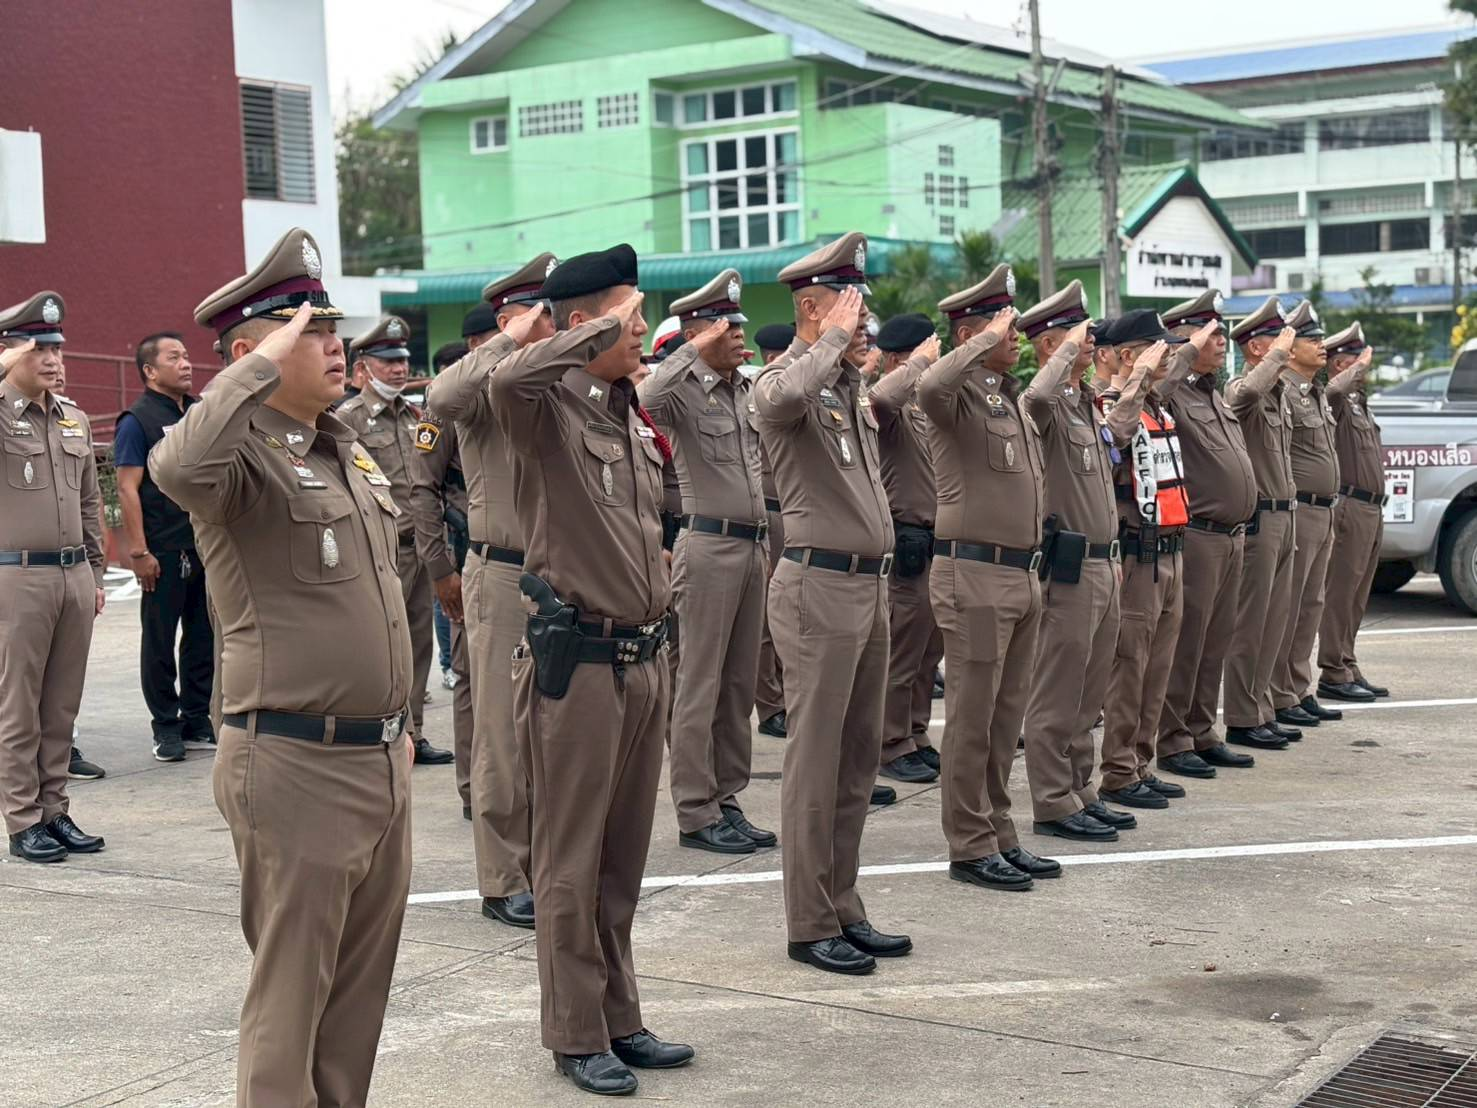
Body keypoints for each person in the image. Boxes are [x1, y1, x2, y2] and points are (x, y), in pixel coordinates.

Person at [149, 228, 413, 1105]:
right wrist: (256, 369)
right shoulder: (235, 461)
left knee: (356, 1001)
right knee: (291, 1001)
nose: (335, 346)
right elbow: (176, 466)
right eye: (308, 331)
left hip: (379, 754)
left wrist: (402, 726)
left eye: (333, 328)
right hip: (294, 759)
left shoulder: (343, 447)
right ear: (250, 356)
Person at [490, 244, 692, 1096]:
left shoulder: (625, 413)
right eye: (628, 316)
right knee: (569, 861)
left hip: (640, 658)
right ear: (581, 326)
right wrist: (583, 327)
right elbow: (504, 379)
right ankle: (575, 1032)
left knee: (621, 858)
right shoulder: (544, 408)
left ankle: (619, 1015)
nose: (642, 330)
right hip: (576, 665)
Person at [757, 231, 912, 975]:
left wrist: (842, 353)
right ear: (813, 309)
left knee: (856, 762)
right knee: (815, 763)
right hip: (816, 588)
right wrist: (828, 343)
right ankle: (808, 921)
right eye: (851, 310)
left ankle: (843, 902)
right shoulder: (779, 381)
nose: (864, 326)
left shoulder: (847, 391)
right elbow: (783, 398)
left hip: (867, 587)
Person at [920, 265, 1059, 891]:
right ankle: (969, 843)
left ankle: (1000, 830)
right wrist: (979, 339)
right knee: (971, 720)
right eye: (1006, 326)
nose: (1017, 337)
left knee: (1005, 721)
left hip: (1020, 574)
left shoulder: (1007, 398)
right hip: (973, 574)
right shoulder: (954, 398)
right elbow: (929, 382)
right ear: (971, 334)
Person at [430, 253, 557, 929]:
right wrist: (508, 339)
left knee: (554, 730)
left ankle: (548, 864)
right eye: (541, 313)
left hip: (561, 573)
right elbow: (439, 401)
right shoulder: (478, 385)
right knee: (503, 734)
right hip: (502, 573)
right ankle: (503, 878)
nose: (551, 325)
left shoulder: (555, 381)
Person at [639, 269, 775, 855]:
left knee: (739, 685)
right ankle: (696, 809)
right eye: (729, 326)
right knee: (699, 683)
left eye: (740, 325)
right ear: (701, 332)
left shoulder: (744, 390)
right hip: (708, 546)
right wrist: (692, 348)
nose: (740, 335)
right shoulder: (682, 390)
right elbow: (645, 398)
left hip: (753, 546)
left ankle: (727, 796)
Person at [1016, 282, 1138, 842]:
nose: (1090, 339)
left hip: (1104, 562)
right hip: (1069, 565)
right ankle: (1050, 800)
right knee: (1057, 691)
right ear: (1050, 344)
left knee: (1089, 693)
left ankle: (1078, 788)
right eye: (1077, 332)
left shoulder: (1084, 400)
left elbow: (1114, 448)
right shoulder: (1045, 404)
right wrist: (1063, 354)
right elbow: (1036, 398)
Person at [0, 291, 108, 864]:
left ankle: (54, 810)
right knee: (19, 705)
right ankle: (22, 821)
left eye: (57, 349)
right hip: (17, 578)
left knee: (61, 706)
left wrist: (95, 571)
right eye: (37, 348)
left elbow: (90, 502)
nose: (52, 359)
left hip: (72, 575)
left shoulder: (73, 418)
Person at [1097, 311, 1203, 811]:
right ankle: (1118, 770)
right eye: (1155, 348)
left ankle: (1140, 761)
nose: (1167, 355)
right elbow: (1115, 444)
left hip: (1171, 549)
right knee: (1130, 666)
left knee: (1157, 667)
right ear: (1126, 355)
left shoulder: (1157, 407)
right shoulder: (1111, 406)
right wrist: (1135, 379)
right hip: (1139, 555)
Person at [338, 316, 454, 766]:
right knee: (380, 646)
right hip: (379, 551)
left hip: (419, 547)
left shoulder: (415, 415)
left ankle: (413, 732)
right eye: (388, 361)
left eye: (403, 360)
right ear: (363, 368)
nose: (399, 369)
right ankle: (377, 734)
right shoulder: (347, 418)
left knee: (419, 644)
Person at [1156, 291, 1260, 776]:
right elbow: (1154, 392)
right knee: (1187, 643)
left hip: (1232, 536)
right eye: (1210, 335)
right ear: (1184, 341)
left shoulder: (1210, 393)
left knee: (1215, 641)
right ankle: (1173, 738)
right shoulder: (1172, 391)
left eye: (1220, 333)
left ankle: (1201, 730)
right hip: (1198, 534)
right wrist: (1181, 352)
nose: (1221, 342)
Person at [114, 331, 215, 763]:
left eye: (187, 355)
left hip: (203, 545)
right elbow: (127, 487)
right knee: (159, 642)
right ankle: (166, 726)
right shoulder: (136, 420)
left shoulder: (197, 411)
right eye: (174, 357)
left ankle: (196, 719)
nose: (186, 363)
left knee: (203, 637)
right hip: (162, 551)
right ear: (150, 371)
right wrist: (139, 552)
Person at [1224, 298, 1301, 750]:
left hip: (1286, 516)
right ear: (1256, 347)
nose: (1287, 348)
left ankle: (1262, 708)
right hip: (1262, 518)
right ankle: (1241, 715)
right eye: (1278, 340)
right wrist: (1276, 360)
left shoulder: (1279, 395)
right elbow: (1242, 397)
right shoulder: (1243, 388)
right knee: (1251, 623)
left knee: (1275, 621)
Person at [869, 313, 943, 785]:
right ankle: (890, 742)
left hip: (935, 543)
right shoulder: (888, 407)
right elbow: (880, 398)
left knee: (927, 652)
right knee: (902, 652)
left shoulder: (921, 407)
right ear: (900, 360)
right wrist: (915, 365)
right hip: (908, 541)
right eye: (927, 353)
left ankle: (915, 732)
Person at [1269, 301, 1346, 728]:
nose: (1322, 345)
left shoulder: (1315, 393)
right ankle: (1279, 692)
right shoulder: (1282, 390)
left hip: (1324, 512)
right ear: (1289, 347)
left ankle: (1299, 687)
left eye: (1320, 338)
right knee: (1289, 605)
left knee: (1311, 605)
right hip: (1299, 511)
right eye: (1311, 339)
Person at [410, 339, 477, 823]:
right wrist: (440, 569)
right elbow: (424, 490)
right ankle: (476, 789)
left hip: (535, 557)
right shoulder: (442, 408)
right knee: (472, 677)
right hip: (471, 555)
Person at [1318, 323, 1389, 702]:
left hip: (1372, 509)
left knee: (1358, 595)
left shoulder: (1360, 403)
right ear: (1339, 365)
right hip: (1351, 506)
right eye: (1356, 362)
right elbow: (1331, 391)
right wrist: (1357, 369)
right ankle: (1333, 670)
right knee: (1341, 593)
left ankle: (1347, 661)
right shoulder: (1337, 401)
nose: (1364, 370)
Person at [749, 322, 793, 741]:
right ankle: (770, 704)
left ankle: (783, 695)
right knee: (767, 618)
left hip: (794, 513)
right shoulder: (763, 394)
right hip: (772, 512)